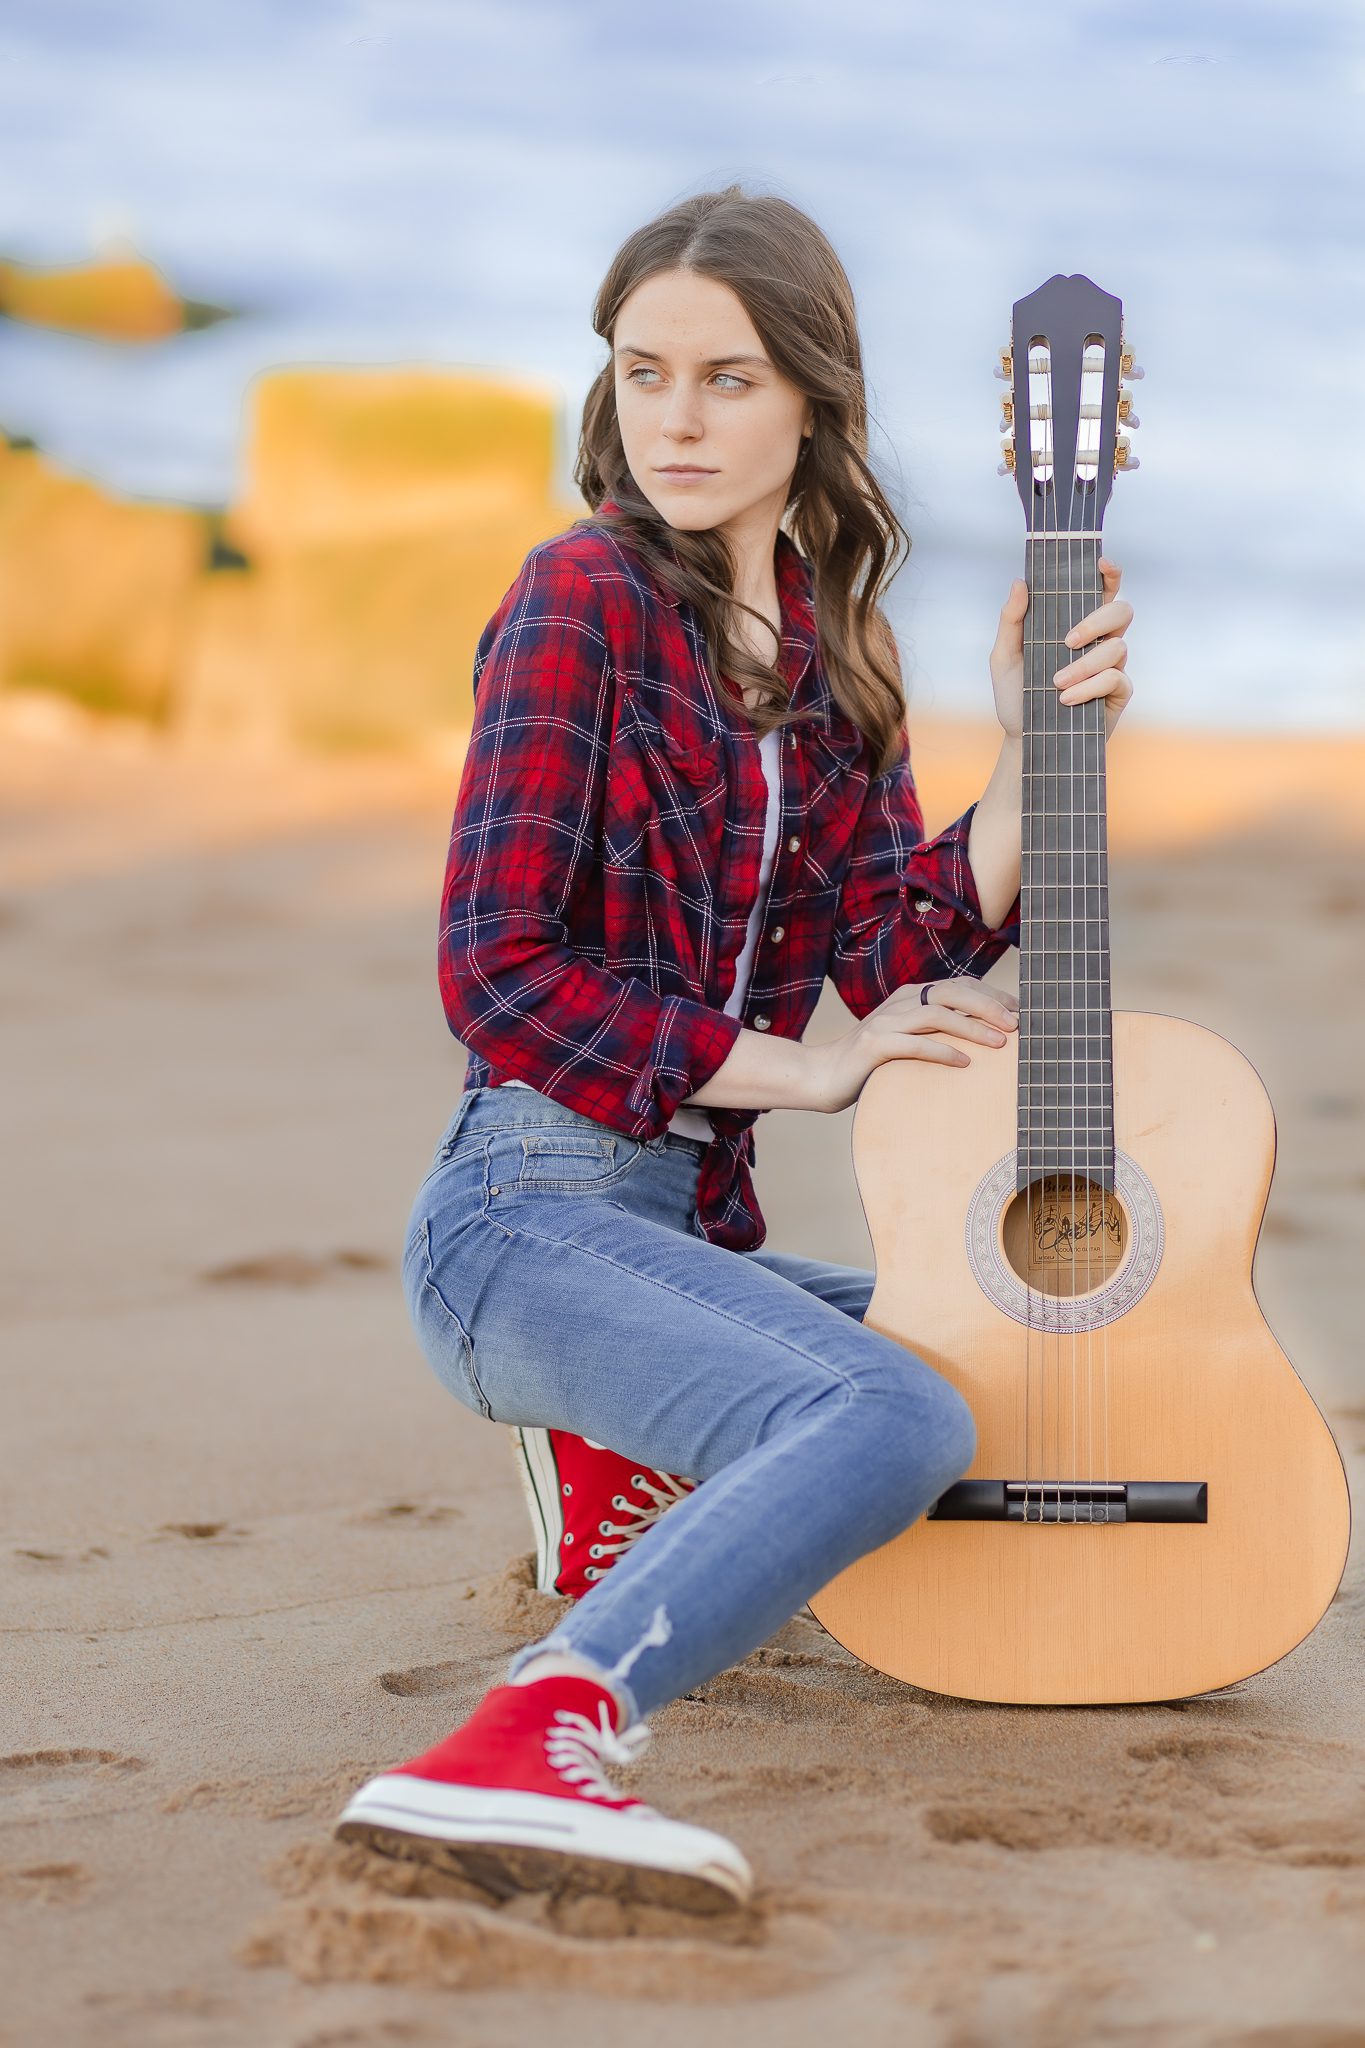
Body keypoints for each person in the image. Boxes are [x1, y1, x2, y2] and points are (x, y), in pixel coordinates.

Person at [334, 184, 1134, 1911]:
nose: (676, 421)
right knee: (895, 1414)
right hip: (523, 1214)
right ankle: (531, 1736)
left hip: (685, 1236)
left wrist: (1027, 757)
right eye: (644, 374)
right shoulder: (578, 602)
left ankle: (618, 1451)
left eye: (728, 379)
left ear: (811, 404)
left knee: (1007, 1367)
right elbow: (497, 971)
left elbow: (893, 947)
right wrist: (804, 1072)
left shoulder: (840, 656)